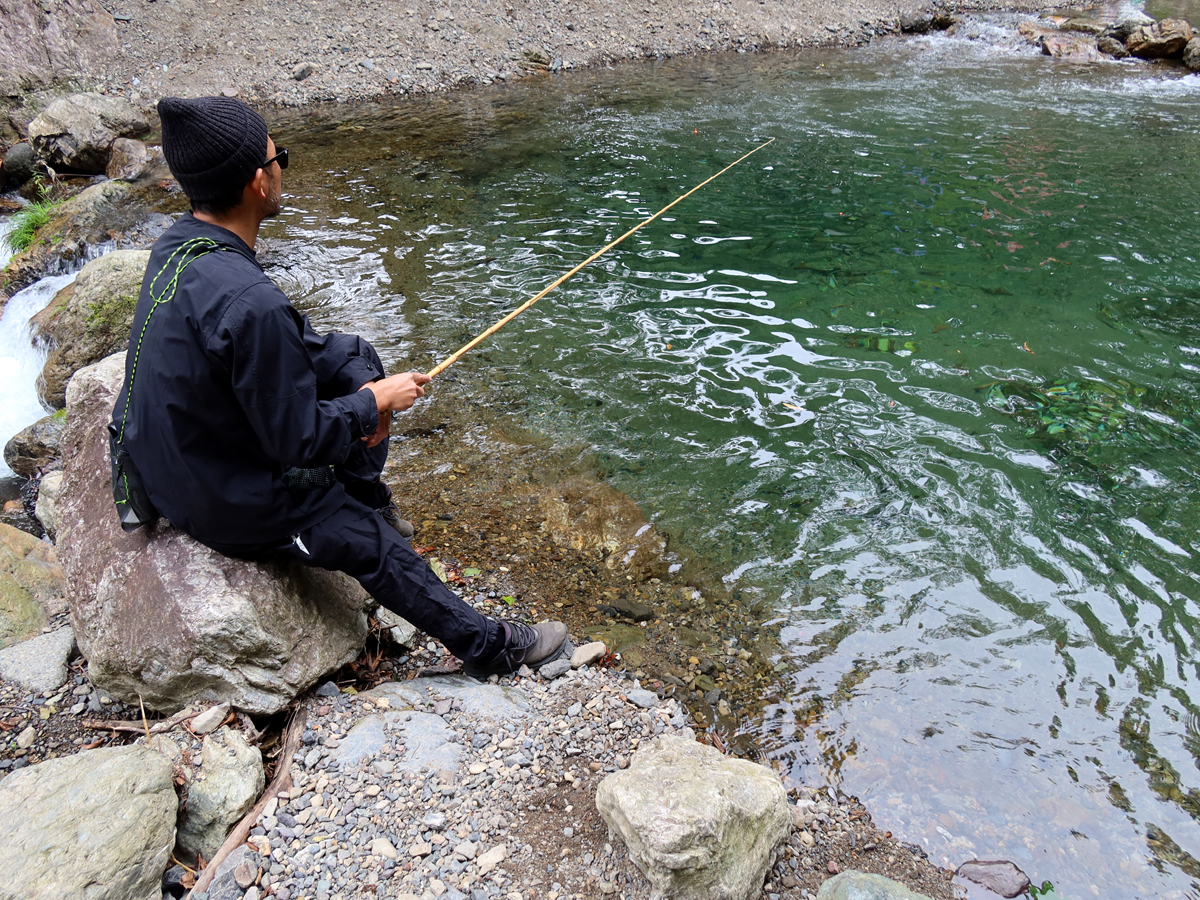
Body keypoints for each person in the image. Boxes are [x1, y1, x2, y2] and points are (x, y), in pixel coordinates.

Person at [110, 95, 568, 677]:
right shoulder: (251, 302)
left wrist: (362, 383)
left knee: (357, 354)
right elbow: (296, 442)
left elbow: (295, 345)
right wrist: (372, 402)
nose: (282, 169)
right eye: (281, 158)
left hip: (179, 454)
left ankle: (369, 497)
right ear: (258, 181)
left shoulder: (182, 246)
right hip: (217, 497)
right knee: (369, 544)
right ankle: (491, 647)